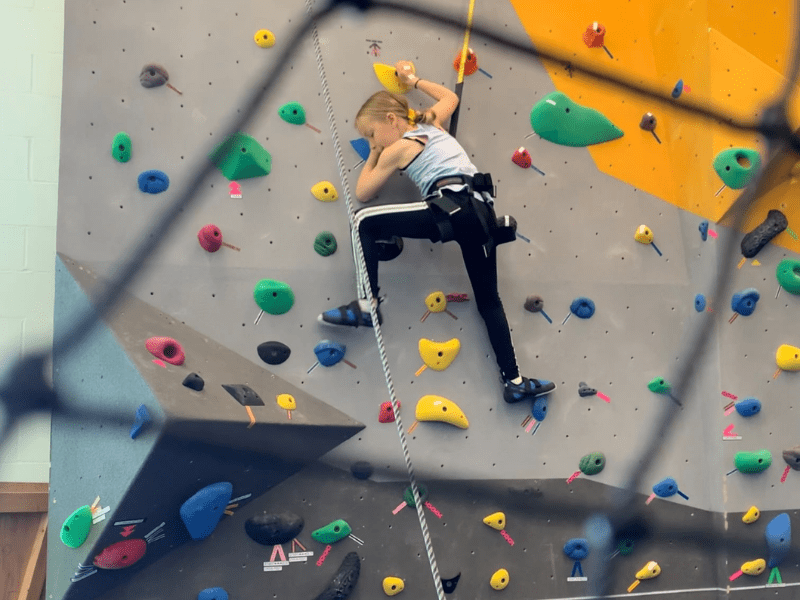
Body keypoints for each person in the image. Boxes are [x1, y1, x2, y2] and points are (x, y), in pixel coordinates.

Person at [319, 60, 555, 409]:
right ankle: (514, 381)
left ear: (390, 120)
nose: (373, 142)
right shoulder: (433, 124)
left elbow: (364, 192)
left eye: (371, 133)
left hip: (454, 207)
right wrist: (413, 81)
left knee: (364, 221)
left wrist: (373, 153)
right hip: (481, 216)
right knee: (489, 301)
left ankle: (367, 305)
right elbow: (448, 98)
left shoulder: (400, 147)